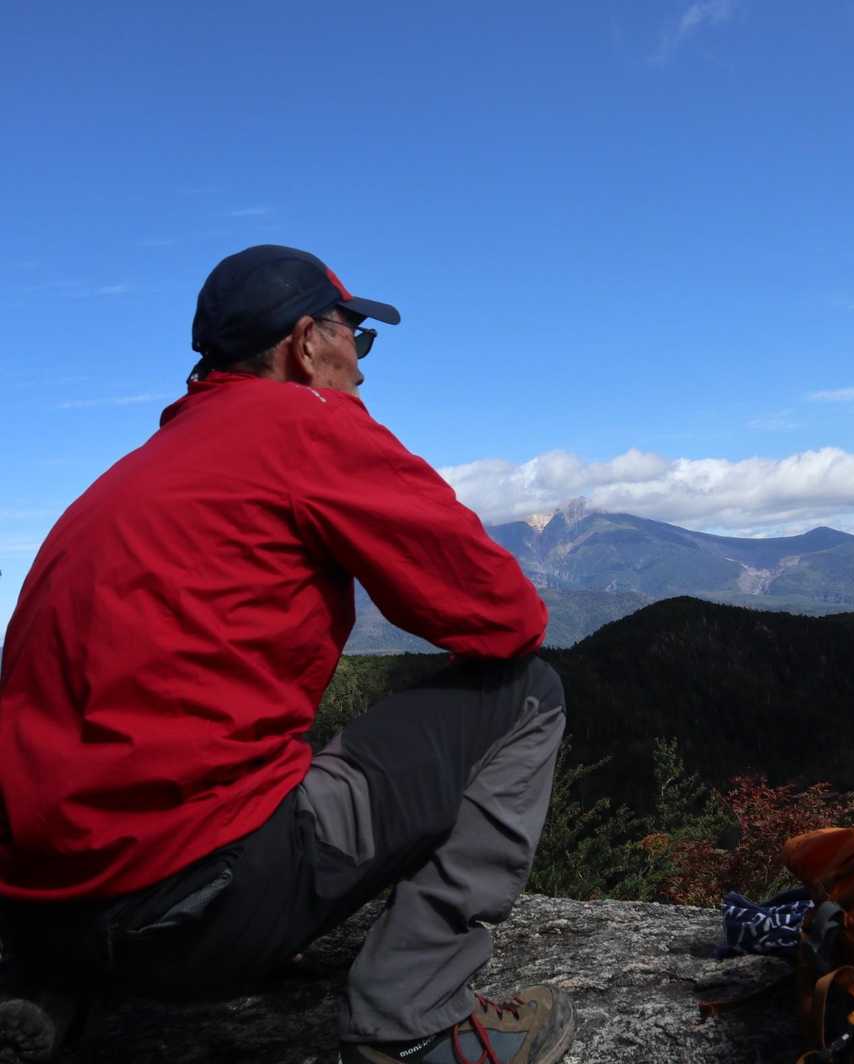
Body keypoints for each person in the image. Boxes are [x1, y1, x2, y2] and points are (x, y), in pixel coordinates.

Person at [0, 245, 574, 1064]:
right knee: (531, 692)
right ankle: (414, 1022)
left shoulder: (129, 475)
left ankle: (56, 986)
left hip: (40, 906)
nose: (362, 370)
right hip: (200, 909)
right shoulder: (307, 425)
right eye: (357, 340)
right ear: (307, 343)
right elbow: (506, 617)